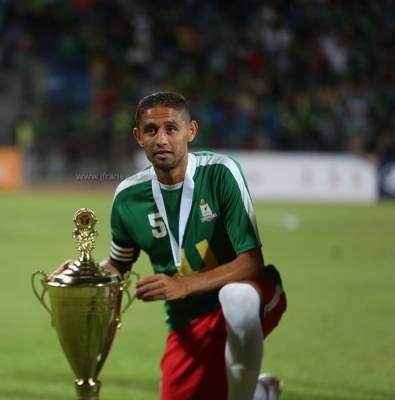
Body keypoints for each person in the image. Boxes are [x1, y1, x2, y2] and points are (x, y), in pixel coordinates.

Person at [55, 92, 287, 400]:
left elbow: (251, 263)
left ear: (191, 131)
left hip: (252, 293)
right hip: (187, 318)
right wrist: (82, 275)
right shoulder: (128, 197)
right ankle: (260, 393)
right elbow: (118, 266)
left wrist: (184, 285)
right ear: (138, 136)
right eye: (151, 130)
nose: (161, 139)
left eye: (171, 129)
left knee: (236, 298)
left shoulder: (220, 172)